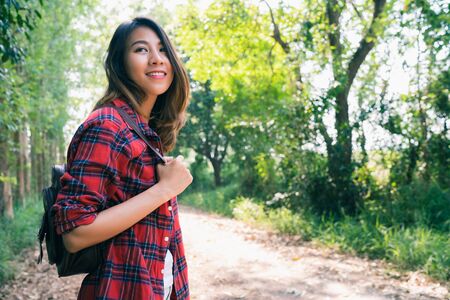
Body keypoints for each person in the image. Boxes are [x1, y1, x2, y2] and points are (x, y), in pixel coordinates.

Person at [52, 17, 192, 300]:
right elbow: (75, 233)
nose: (156, 59)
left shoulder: (143, 131)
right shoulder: (107, 125)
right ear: (119, 64)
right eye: (141, 49)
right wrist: (164, 189)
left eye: (163, 49)